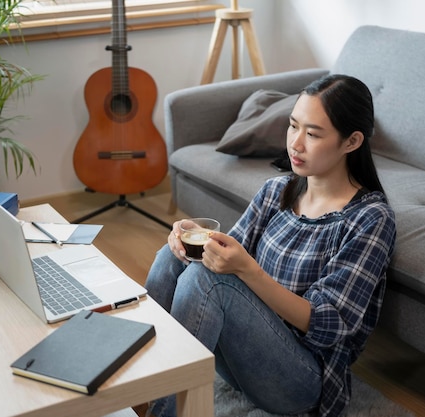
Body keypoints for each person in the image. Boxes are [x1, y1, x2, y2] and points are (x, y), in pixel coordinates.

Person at [144, 74, 397, 417]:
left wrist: (248, 270)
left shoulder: (369, 219)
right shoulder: (276, 192)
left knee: (206, 281)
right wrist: (193, 241)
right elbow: (223, 256)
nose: (296, 143)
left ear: (351, 141)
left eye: (313, 133)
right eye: (293, 126)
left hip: (302, 381)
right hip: (246, 358)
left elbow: (328, 324)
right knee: (173, 257)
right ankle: (136, 386)